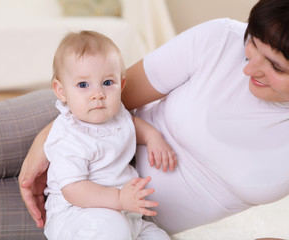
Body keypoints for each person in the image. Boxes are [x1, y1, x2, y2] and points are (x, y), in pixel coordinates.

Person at [19, 0, 289, 236]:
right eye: (252, 42)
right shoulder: (219, 40)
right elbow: (109, 93)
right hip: (81, 122)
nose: (248, 68)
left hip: (128, 217)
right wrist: (48, 137)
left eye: (276, 66)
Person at [41, 31, 175, 239]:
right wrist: (119, 198)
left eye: (107, 83)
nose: (98, 94)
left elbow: (131, 125)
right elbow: (73, 189)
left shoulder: (117, 115)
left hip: (125, 212)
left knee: (158, 236)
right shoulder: (68, 136)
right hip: (77, 215)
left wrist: (152, 137)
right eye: (83, 85)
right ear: (61, 91)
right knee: (113, 229)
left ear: (121, 86)